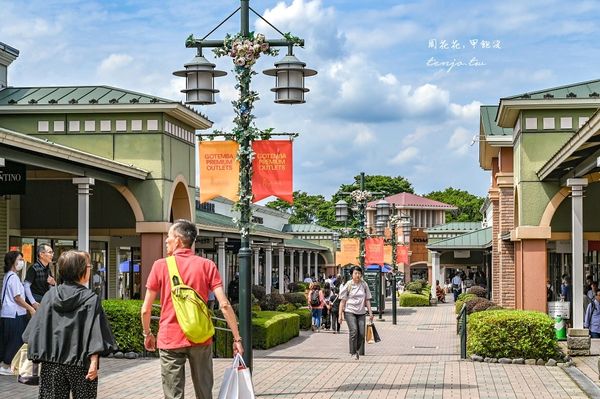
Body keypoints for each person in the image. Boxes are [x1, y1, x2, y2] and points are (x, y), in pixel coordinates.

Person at [141, 219, 243, 399]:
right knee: (204, 393)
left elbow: (145, 309)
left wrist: (147, 333)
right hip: (200, 336)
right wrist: (236, 338)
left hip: (170, 338)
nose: (166, 241)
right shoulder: (207, 265)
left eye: (169, 237)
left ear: (178, 240)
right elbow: (224, 304)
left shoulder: (160, 266)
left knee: (173, 395)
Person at [22, 250, 116, 398]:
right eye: (89, 266)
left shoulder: (50, 296)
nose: (89, 269)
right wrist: (93, 362)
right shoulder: (90, 299)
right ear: (81, 271)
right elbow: (95, 333)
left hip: (51, 363)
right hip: (80, 362)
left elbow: (36, 329)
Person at [0, 251, 36, 375]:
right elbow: (17, 298)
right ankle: (6, 366)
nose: (22, 262)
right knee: (15, 340)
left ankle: (7, 365)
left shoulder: (8, 275)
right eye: (20, 259)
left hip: (7, 313)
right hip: (15, 314)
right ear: (13, 261)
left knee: (8, 339)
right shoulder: (14, 277)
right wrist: (30, 308)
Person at [338, 266, 374, 360]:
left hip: (361, 312)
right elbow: (342, 301)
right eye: (355, 273)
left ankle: (357, 350)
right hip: (350, 311)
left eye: (359, 273)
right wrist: (340, 315)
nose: (357, 275)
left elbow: (367, 299)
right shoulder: (348, 285)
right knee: (354, 331)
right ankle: (353, 352)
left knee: (361, 334)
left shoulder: (364, 284)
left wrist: (370, 313)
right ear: (351, 274)